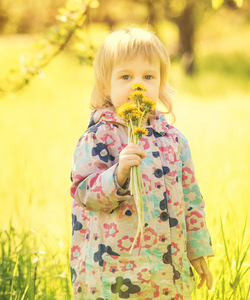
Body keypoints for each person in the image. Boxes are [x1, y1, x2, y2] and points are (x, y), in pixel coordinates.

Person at [70, 27, 214, 299]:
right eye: (126, 76)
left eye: (148, 76)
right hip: (116, 273)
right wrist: (119, 173)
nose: (139, 85)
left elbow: (191, 198)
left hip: (167, 270)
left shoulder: (174, 140)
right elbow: (84, 191)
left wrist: (198, 250)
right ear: (105, 85)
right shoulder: (98, 137)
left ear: (160, 83)